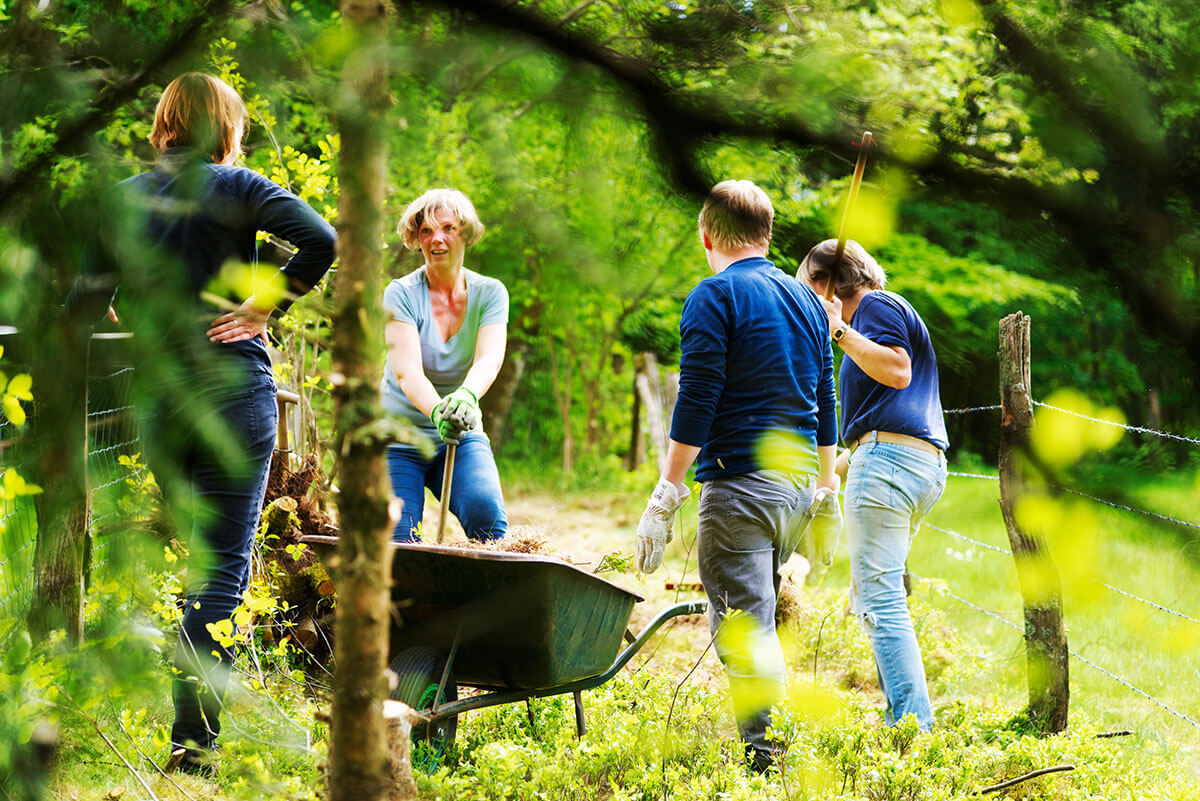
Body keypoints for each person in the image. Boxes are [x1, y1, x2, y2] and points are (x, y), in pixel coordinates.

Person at [69, 72, 336, 775]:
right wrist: (262, 305)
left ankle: (193, 732)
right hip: (232, 392)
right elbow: (322, 239)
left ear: (163, 123)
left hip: (159, 399)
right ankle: (193, 748)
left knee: (200, 565)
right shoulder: (238, 185)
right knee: (220, 573)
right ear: (224, 127)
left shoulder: (121, 198)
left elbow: (83, 306)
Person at [635, 180, 838, 774]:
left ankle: (769, 764)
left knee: (747, 630)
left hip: (740, 489)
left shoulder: (713, 295)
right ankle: (776, 743)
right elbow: (825, 398)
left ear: (706, 238)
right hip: (798, 487)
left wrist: (667, 491)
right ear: (767, 235)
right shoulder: (808, 302)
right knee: (765, 620)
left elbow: (698, 397)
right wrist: (827, 488)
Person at [797, 238, 948, 731]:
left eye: (809, 291)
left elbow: (897, 372)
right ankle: (901, 716)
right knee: (876, 597)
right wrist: (833, 471)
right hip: (911, 463)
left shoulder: (874, 307)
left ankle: (911, 728)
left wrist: (838, 326)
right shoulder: (879, 316)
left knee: (879, 600)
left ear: (828, 284)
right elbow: (875, 419)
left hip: (889, 464)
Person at [381, 188, 508, 543]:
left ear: (465, 233)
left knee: (489, 520)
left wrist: (466, 397)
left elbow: (489, 357)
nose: (436, 238)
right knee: (399, 542)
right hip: (399, 438)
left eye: (448, 228)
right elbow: (406, 372)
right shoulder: (401, 293)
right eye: (425, 231)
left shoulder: (491, 293)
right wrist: (439, 412)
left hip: (462, 431)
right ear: (416, 239)